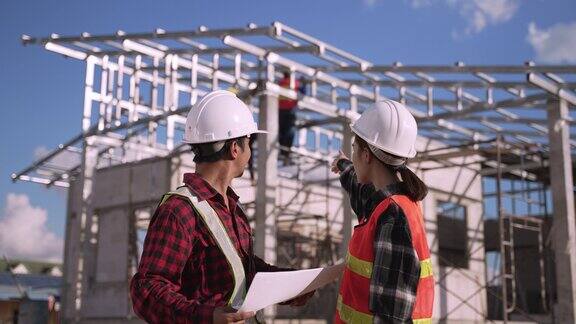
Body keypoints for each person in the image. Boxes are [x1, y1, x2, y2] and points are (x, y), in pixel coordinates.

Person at [130, 90, 312, 324]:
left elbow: (243, 271)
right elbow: (146, 290)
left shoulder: (230, 208)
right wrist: (207, 317)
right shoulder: (179, 211)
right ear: (234, 148)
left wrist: (291, 284)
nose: (250, 152)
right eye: (249, 143)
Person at [331, 100, 434, 323]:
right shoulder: (392, 202)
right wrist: (343, 165)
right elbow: (359, 189)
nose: (353, 154)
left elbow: (391, 315)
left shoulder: (393, 217)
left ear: (366, 155)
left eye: (354, 149)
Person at [278, 71, 306, 164]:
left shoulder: (280, 83)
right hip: (289, 111)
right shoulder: (294, 83)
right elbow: (303, 92)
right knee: (289, 132)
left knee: (281, 132)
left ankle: (283, 152)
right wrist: (303, 83)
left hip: (280, 111)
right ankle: (286, 153)